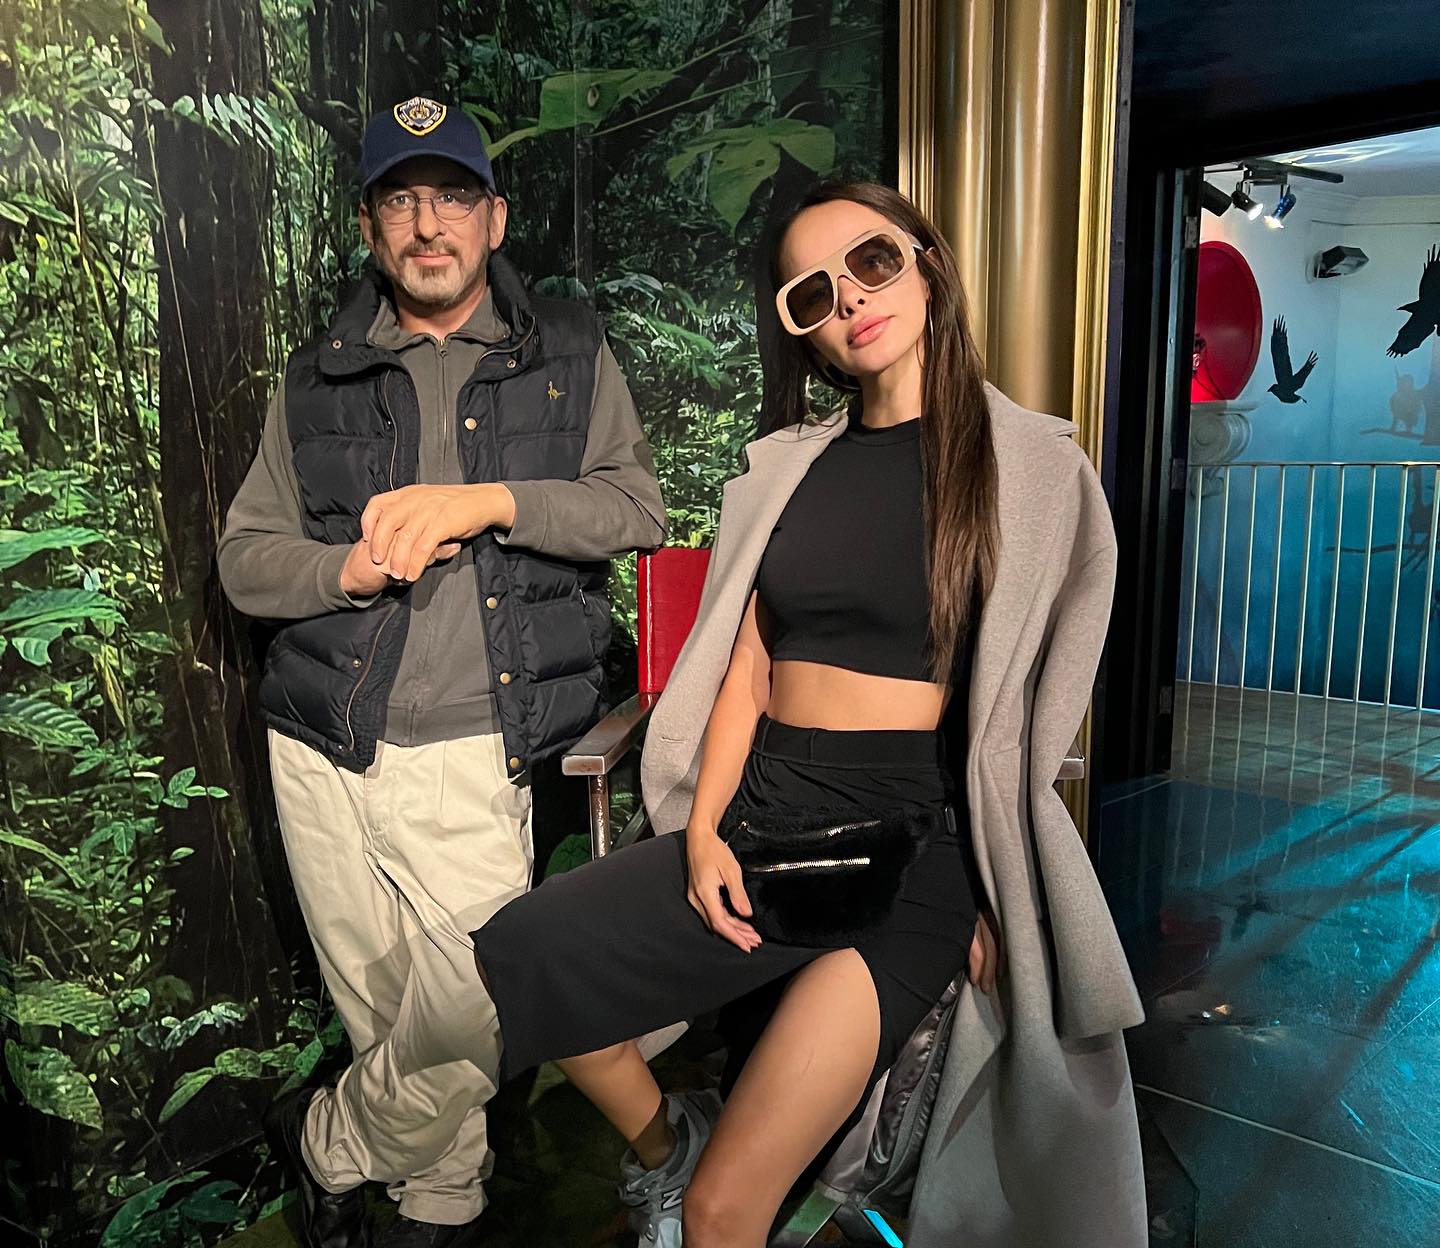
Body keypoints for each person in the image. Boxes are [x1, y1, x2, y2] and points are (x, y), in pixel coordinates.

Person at [468, 181, 1148, 1248]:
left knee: (724, 1214)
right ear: (804, 334)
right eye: (813, 294)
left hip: (914, 852)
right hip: (765, 814)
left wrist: (997, 886)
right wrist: (703, 831)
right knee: (525, 952)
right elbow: (747, 669)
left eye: (873, 262)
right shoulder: (789, 470)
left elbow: (1027, 716)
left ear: (927, 265)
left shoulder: (1030, 467)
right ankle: (664, 1148)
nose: (852, 300)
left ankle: (694, 1181)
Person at [216, 96, 666, 1248]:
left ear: (493, 219)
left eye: (453, 197)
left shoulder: (568, 351)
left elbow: (636, 509)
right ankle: (438, 1206)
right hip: (322, 742)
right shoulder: (315, 377)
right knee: (382, 1015)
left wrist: (490, 501)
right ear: (371, 229)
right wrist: (345, 572)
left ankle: (326, 1144)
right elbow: (246, 562)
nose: (429, 225)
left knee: (477, 1007)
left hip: (474, 747)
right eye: (402, 201)